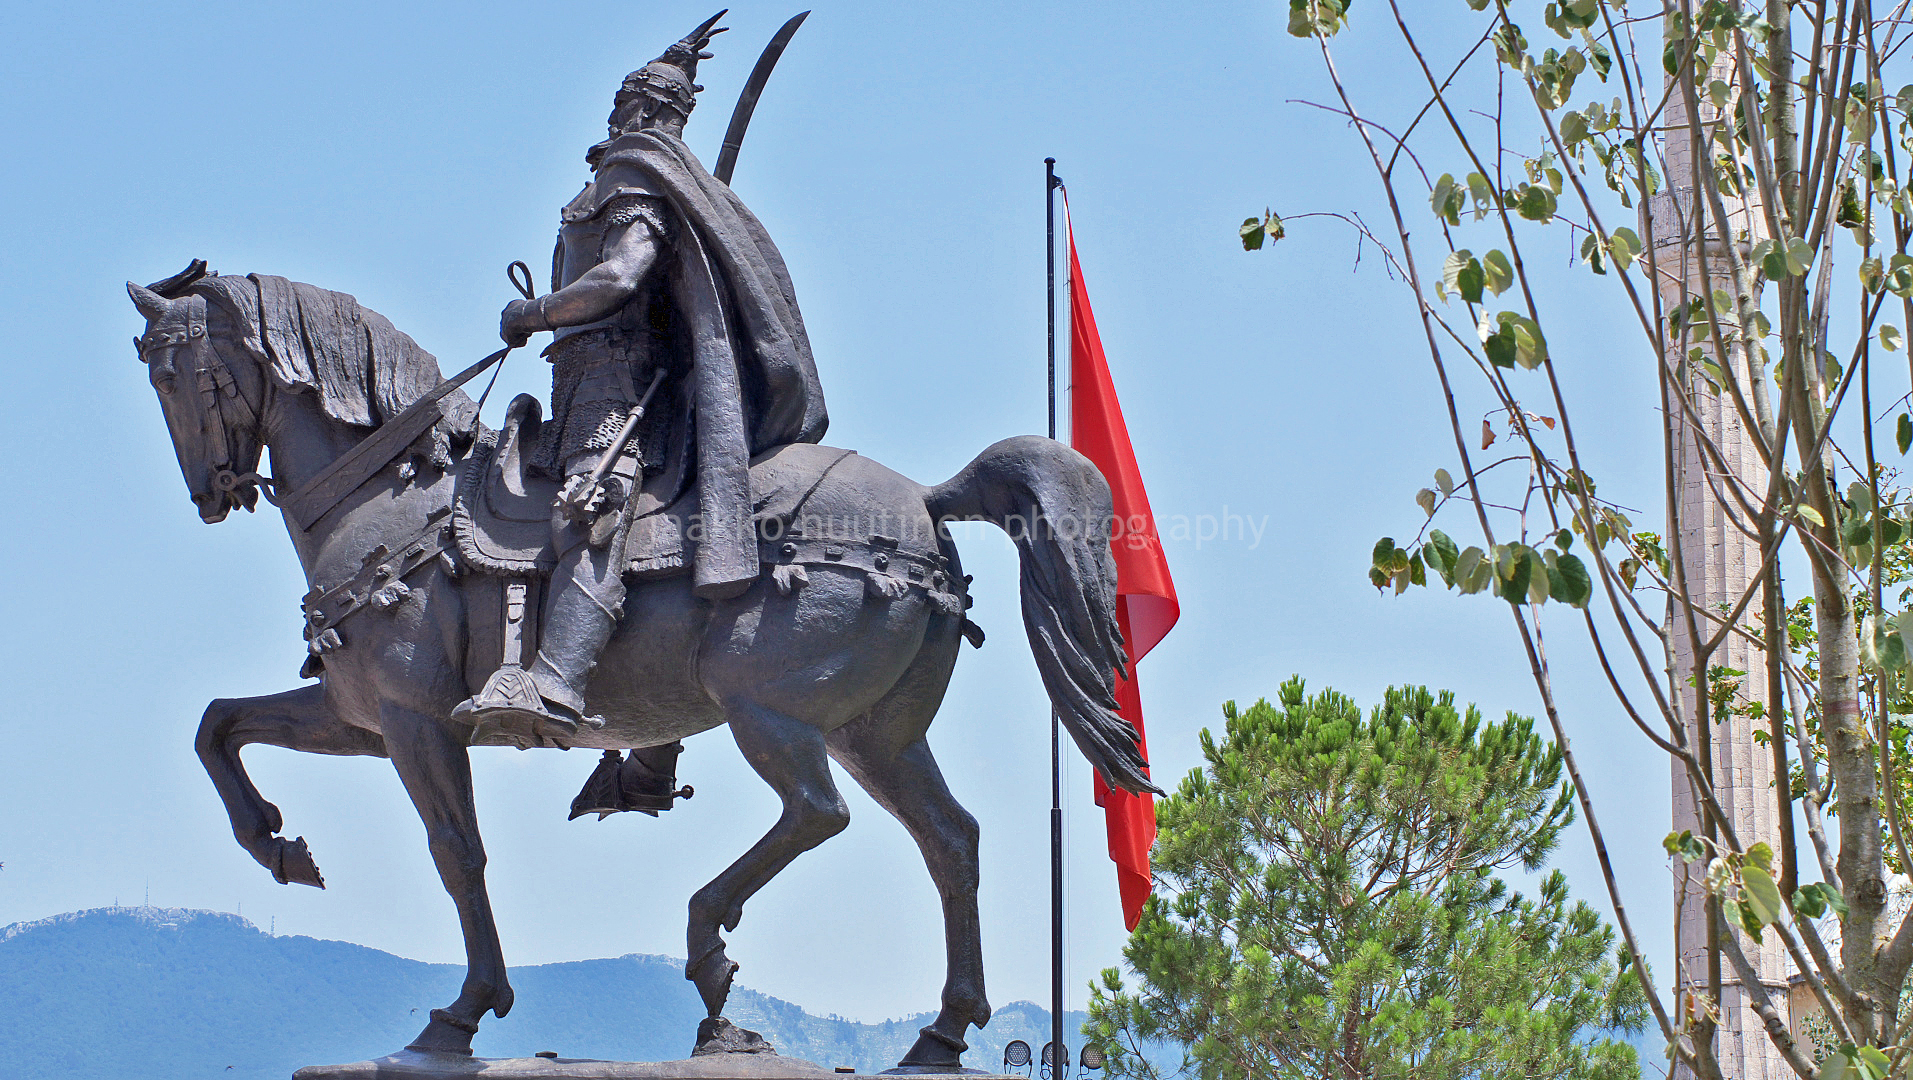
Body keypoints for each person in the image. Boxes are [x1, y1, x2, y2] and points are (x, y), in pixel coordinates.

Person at [456, 12, 828, 744]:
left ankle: (556, 681)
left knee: (588, 513)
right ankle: (647, 757)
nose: (614, 112)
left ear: (644, 108)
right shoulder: (640, 174)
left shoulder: (632, 175)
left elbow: (620, 277)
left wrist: (534, 311)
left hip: (616, 382)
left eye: (625, 100)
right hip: (581, 379)